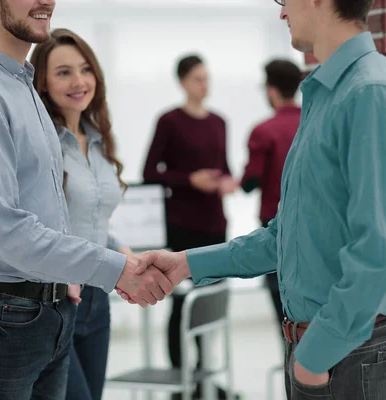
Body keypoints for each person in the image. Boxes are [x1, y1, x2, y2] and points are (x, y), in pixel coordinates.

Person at [122, 0, 386, 398]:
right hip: (319, 348)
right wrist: (185, 263)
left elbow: (381, 257)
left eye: (284, 0)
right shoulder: (326, 95)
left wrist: (313, 357)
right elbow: (285, 237)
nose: (281, 13)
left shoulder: (371, 94)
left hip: (342, 353)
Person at [0, 1, 172, 399]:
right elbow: (7, 232)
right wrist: (115, 268)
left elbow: (52, 217)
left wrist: (117, 259)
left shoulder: (21, 87)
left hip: (52, 309)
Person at [30, 28, 133, 400]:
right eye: (63, 72)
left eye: (85, 69)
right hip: (55, 298)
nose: (79, 81)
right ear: (42, 82)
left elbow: (87, 220)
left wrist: (122, 250)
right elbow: (35, 223)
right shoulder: (41, 143)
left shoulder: (99, 138)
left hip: (97, 297)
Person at [142, 54, 239, 400]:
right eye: (198, 79)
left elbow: (223, 168)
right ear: (182, 81)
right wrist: (190, 181)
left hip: (215, 225)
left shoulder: (219, 122)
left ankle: (206, 380)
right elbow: (151, 171)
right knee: (181, 305)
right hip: (183, 226)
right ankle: (182, 383)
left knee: (209, 305)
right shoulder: (169, 121)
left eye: (207, 78)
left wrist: (228, 182)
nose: (205, 85)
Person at [239, 59, 302, 335]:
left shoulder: (264, 131)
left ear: (271, 90)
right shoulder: (312, 119)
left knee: (285, 319)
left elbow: (249, 182)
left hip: (275, 229)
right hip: (313, 225)